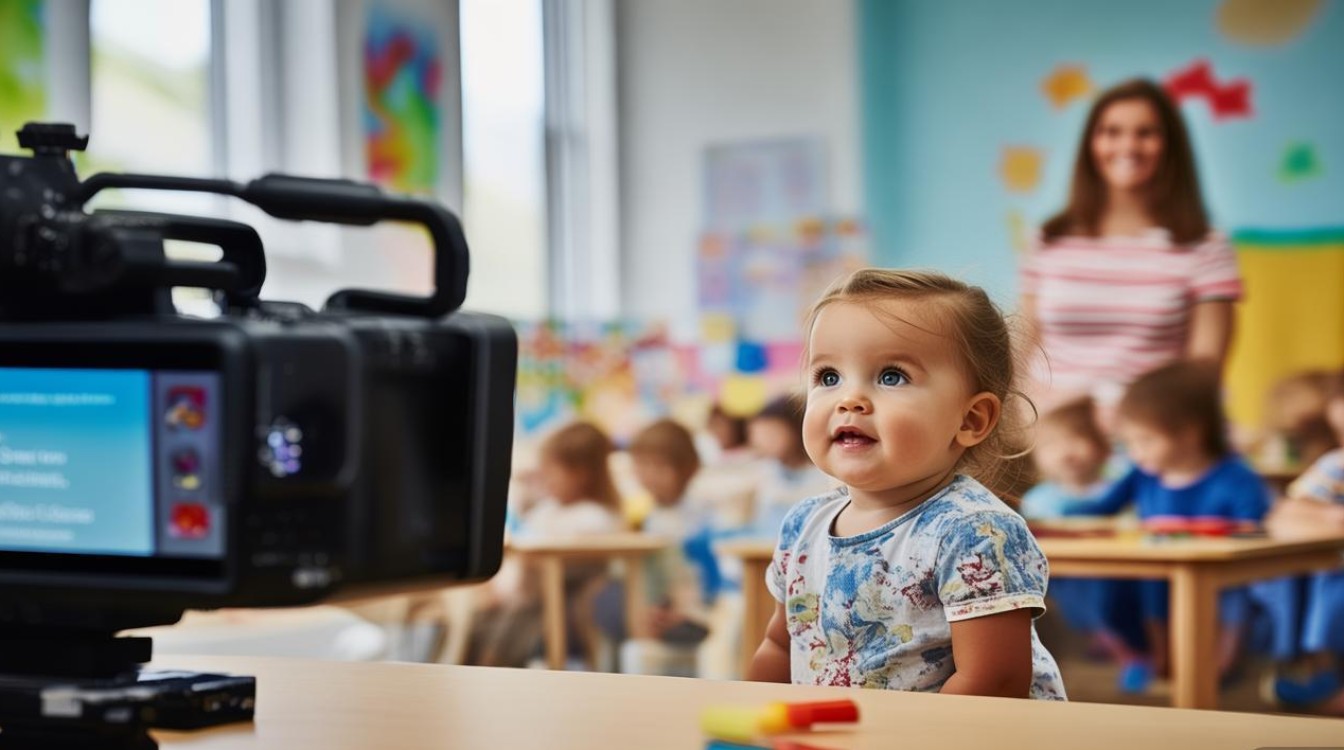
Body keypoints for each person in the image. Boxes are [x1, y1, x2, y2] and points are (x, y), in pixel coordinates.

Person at [746, 268, 1066, 699]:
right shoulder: (803, 524)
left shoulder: (974, 532)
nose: (849, 399)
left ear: (971, 420)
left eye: (891, 376)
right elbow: (780, 646)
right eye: (829, 377)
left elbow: (994, 684)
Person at [1020, 79, 1242, 418]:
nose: (1128, 145)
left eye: (1145, 133)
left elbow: (1204, 367)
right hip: (1051, 430)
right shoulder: (1049, 239)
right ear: (1091, 143)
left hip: (1155, 429)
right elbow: (1023, 346)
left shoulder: (1205, 245)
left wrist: (1134, 423)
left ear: (1170, 145)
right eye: (1111, 132)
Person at [1077, 361, 1270, 688]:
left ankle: (1220, 664)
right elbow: (1098, 509)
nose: (1136, 453)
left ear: (1190, 433)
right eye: (1129, 443)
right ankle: (1155, 657)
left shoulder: (1234, 477)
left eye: (1145, 440)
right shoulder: (1143, 475)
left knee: (1237, 598)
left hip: (1221, 576)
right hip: (1158, 572)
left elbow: (1253, 526)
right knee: (1124, 586)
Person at [467, 421, 624, 667]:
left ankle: (490, 666)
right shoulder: (548, 510)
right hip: (527, 597)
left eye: (552, 470)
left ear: (581, 474)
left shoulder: (595, 518)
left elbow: (564, 566)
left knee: (512, 628)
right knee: (478, 622)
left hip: (557, 603)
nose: (545, 477)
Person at [1021, 398, 1149, 689]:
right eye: (1051, 445)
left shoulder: (1116, 491)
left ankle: (1127, 648)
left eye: (1077, 439)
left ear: (1102, 447)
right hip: (1065, 578)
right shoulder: (1038, 500)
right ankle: (1121, 649)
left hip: (1121, 571)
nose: (1066, 452)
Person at [1256, 372, 1344, 713]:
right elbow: (1286, 511)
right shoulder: (1336, 466)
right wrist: (1330, 517)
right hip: (1333, 567)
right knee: (1318, 580)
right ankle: (1322, 671)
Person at [601, 418, 716, 675]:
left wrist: (685, 609)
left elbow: (709, 578)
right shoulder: (645, 515)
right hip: (651, 604)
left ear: (688, 468)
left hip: (692, 609)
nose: (650, 476)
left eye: (659, 466)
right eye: (642, 466)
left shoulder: (701, 517)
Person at [747, 394, 836, 538]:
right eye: (757, 434)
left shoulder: (826, 475)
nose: (762, 441)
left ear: (796, 430)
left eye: (771, 433)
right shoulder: (765, 472)